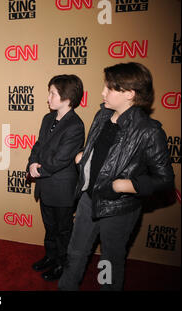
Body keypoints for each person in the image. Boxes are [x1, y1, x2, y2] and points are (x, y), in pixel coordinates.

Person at [58, 62, 175, 291]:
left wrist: (126, 185)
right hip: (87, 199)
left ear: (130, 94)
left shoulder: (149, 131)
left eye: (110, 88)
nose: (103, 92)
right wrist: (85, 155)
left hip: (118, 209)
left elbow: (165, 179)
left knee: (109, 262)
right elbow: (101, 151)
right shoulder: (102, 115)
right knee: (75, 251)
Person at [26, 75, 85, 281]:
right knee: (50, 228)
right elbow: (38, 146)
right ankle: (50, 257)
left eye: (53, 93)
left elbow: (61, 159)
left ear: (67, 98)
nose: (48, 97)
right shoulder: (47, 119)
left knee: (63, 231)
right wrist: (31, 164)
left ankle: (63, 265)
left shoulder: (75, 126)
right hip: (45, 186)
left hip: (62, 190)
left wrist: (38, 171)